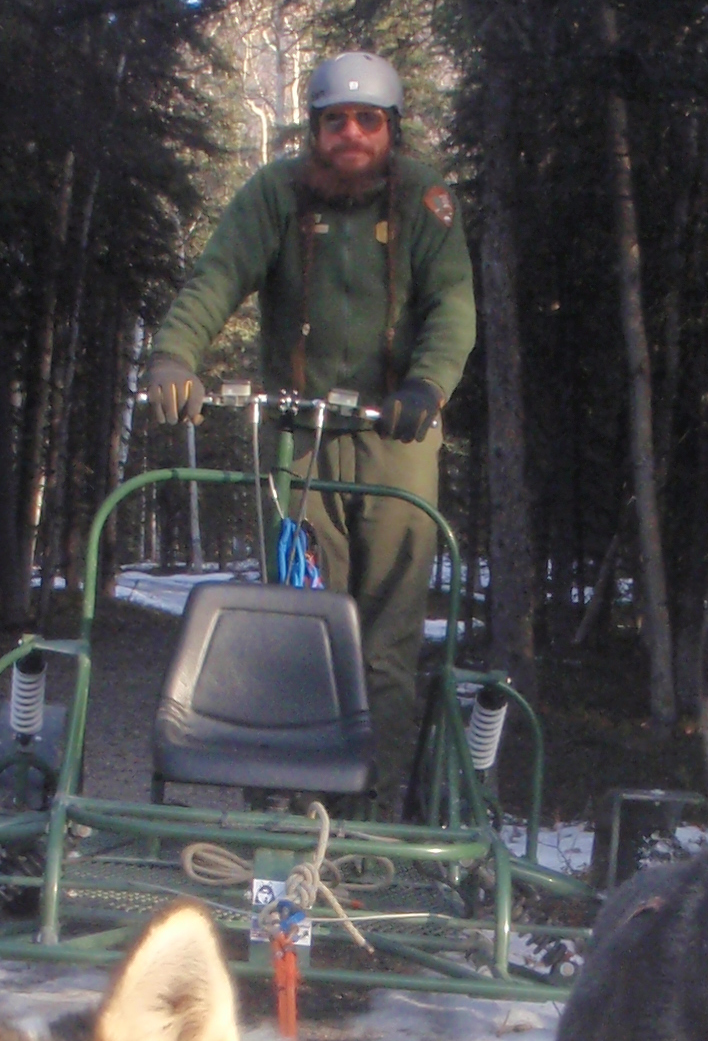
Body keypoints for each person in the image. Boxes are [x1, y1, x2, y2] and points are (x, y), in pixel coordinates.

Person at [145, 53, 476, 806]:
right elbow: (219, 275)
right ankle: (288, 806)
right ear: (314, 129)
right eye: (336, 121)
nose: (351, 134)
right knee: (297, 623)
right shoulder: (277, 194)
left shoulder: (426, 200)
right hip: (298, 436)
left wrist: (428, 384)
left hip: (398, 436)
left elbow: (453, 306)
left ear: (391, 128)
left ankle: (373, 815)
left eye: (368, 120)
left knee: (388, 641)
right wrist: (174, 357)